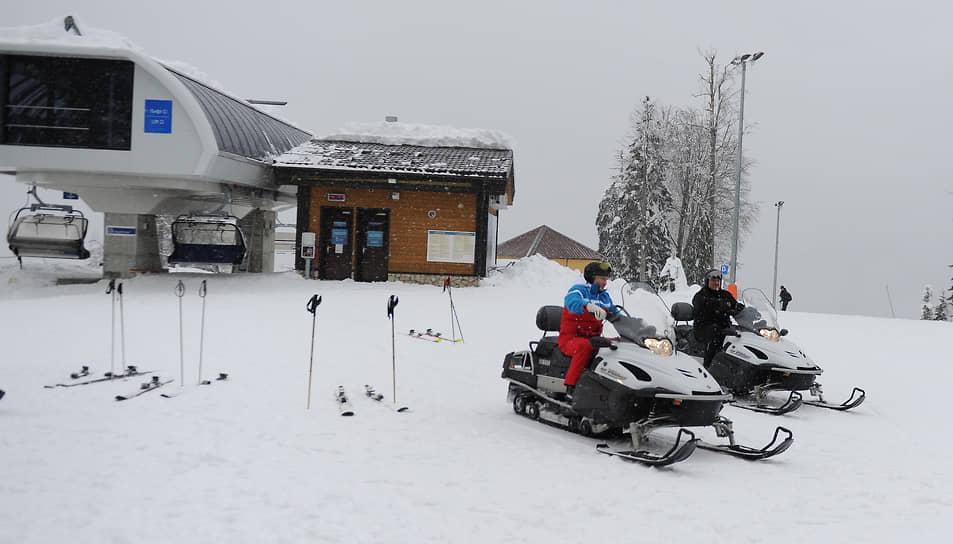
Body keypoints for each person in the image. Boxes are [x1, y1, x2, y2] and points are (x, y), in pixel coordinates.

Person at [559, 261, 617, 397]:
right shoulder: (578, 290)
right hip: (571, 339)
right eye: (602, 279)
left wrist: (635, 325)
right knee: (585, 347)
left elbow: (614, 312)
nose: (605, 282)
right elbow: (572, 302)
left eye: (606, 279)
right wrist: (587, 306)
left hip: (593, 338)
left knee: (615, 345)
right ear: (592, 277)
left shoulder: (604, 296)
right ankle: (571, 387)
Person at [692, 269, 744, 368]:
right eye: (713, 280)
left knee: (739, 334)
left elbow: (733, 304)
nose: (716, 283)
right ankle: (708, 366)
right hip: (703, 327)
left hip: (723, 327)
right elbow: (700, 308)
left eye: (718, 281)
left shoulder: (725, 295)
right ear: (707, 281)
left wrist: (739, 308)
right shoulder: (701, 296)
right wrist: (716, 307)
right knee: (715, 334)